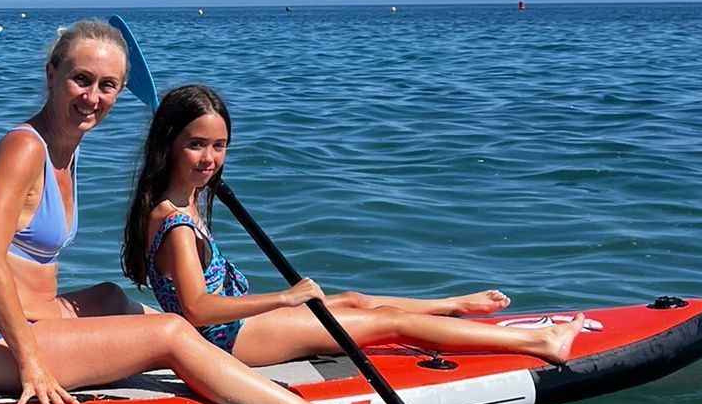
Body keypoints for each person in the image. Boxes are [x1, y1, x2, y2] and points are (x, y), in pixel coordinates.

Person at [0, 20, 390, 404]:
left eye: (108, 85)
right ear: (51, 74)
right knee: (169, 331)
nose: (92, 97)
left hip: (33, 319)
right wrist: (32, 365)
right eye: (81, 79)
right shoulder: (24, 147)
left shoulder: (66, 148)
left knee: (111, 298)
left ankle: (212, 355)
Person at [121, 83, 587, 369]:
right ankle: (541, 341)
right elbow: (198, 310)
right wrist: (285, 298)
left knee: (355, 300)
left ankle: (451, 306)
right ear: (170, 146)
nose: (210, 158)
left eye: (220, 145)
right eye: (196, 145)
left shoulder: (179, 200)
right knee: (391, 325)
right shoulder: (178, 224)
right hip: (229, 340)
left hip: (235, 325)